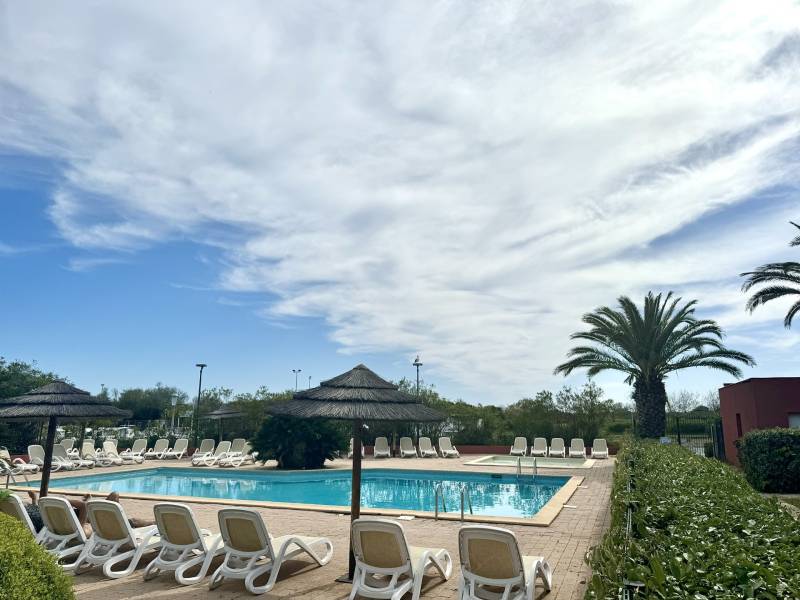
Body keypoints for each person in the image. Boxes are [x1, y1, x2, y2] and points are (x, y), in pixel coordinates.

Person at [25, 490, 154, 532]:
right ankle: (153, 524)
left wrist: (34, 500)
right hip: (84, 519)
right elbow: (84, 507)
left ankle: (152, 523)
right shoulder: (49, 505)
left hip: (73, 518)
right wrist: (81, 528)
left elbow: (37, 511)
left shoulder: (34, 520)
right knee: (115, 497)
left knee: (113, 500)